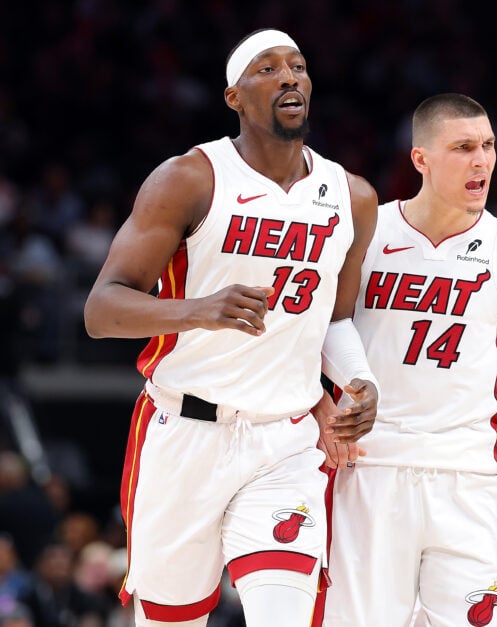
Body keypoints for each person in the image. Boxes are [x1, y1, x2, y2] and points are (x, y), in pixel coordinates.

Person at [83, 28, 379, 627]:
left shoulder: (352, 197)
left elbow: (335, 318)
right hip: (183, 432)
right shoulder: (189, 178)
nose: (289, 76)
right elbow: (101, 310)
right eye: (267, 69)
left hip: (284, 441)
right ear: (234, 97)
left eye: (297, 65)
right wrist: (196, 308)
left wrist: (357, 381)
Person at [322, 93, 497, 626]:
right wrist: (322, 405)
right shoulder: (365, 233)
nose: (481, 160)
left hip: (470, 477)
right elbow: (317, 331)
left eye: (487, 146)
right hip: (370, 471)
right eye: (462, 148)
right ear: (421, 159)